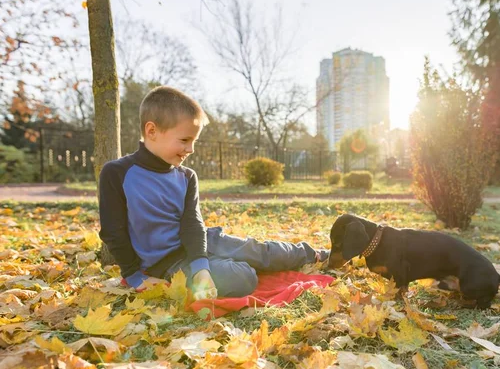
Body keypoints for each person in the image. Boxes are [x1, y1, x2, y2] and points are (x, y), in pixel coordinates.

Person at [98, 86, 328, 301]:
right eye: (185, 140)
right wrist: (135, 276)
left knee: (258, 250)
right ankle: (221, 265)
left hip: (202, 242)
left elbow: (192, 223)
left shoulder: (187, 176)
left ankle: (314, 254)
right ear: (152, 131)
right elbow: (113, 232)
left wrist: (201, 266)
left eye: (194, 141)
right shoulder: (117, 173)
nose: (191, 149)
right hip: (166, 264)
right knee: (243, 277)